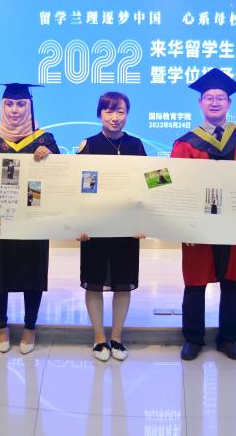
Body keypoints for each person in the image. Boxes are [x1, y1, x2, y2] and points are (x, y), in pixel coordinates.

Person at [173, 68, 236, 361]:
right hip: (199, 225)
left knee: (232, 282)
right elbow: (174, 184)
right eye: (209, 98)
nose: (214, 102)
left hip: (235, 224)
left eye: (220, 98)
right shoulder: (186, 143)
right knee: (195, 282)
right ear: (200, 103)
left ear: (229, 103)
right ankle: (193, 338)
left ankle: (228, 338)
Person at [0, 83, 59, 355]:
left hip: (32, 217)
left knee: (33, 268)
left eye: (21, 104)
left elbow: (59, 179)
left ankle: (30, 326)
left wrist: (51, 159)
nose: (15, 110)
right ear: (2, 107)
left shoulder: (45, 140)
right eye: (9, 104)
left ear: (30, 107)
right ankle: (1, 325)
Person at [75, 91, 147, 362]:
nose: (115, 117)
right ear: (99, 114)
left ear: (127, 114)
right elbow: (79, 188)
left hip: (126, 228)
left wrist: (145, 221)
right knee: (94, 282)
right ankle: (99, 339)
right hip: (95, 227)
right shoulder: (88, 145)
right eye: (109, 111)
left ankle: (116, 337)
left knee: (122, 283)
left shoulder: (136, 145)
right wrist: (80, 224)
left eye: (120, 111)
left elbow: (149, 184)